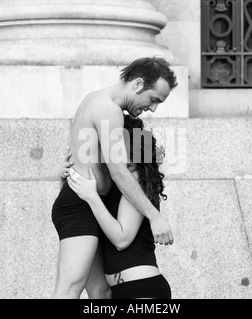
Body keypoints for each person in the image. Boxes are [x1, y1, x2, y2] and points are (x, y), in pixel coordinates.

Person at [52, 57, 178, 299]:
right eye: (153, 100)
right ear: (138, 84)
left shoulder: (99, 102)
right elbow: (119, 171)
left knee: (102, 294)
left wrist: (64, 174)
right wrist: (155, 217)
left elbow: (84, 155)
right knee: (69, 288)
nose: (153, 109)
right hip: (81, 205)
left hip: (89, 202)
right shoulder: (108, 108)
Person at [66, 115, 172, 299]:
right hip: (121, 291)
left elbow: (121, 240)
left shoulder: (138, 181)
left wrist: (92, 197)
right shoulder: (115, 183)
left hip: (143, 291)